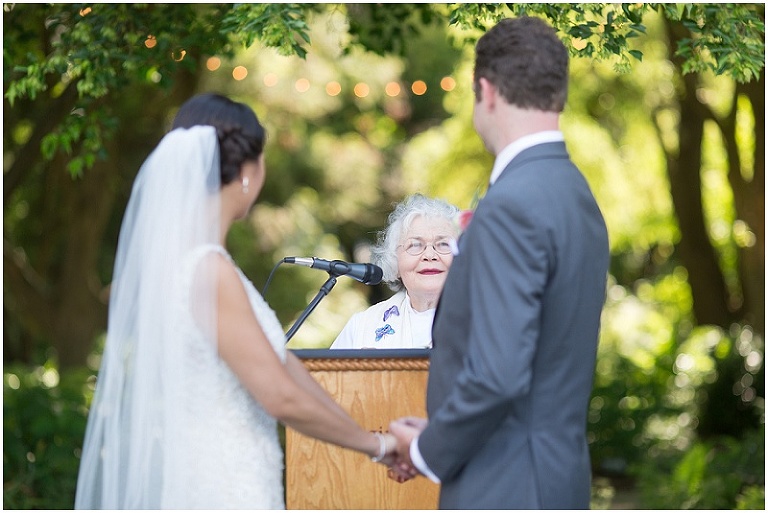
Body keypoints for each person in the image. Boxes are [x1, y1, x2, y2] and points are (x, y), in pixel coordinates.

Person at [74, 93, 398, 509]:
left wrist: (375, 437)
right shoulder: (208, 270)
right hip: (223, 484)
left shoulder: (190, 265)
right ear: (248, 172)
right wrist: (377, 446)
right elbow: (277, 393)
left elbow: (284, 368)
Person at [388, 17, 610, 509]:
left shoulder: (511, 205)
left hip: (504, 488)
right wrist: (447, 430)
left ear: (485, 91)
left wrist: (426, 450)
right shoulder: (577, 195)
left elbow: (498, 374)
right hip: (556, 479)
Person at [330, 194, 459, 349]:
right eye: (415, 245)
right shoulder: (362, 327)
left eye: (443, 244)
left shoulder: (490, 320)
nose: (429, 255)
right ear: (395, 262)